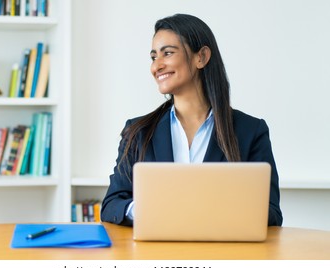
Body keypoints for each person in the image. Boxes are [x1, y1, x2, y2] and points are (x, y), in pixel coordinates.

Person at [101, 13, 283, 227]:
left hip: (224, 254)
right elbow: (111, 205)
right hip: (155, 256)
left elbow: (272, 213)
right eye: (153, 57)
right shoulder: (137, 131)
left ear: (202, 57)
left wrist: (212, 210)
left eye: (167, 53)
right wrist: (145, 209)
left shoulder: (250, 131)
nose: (156, 66)